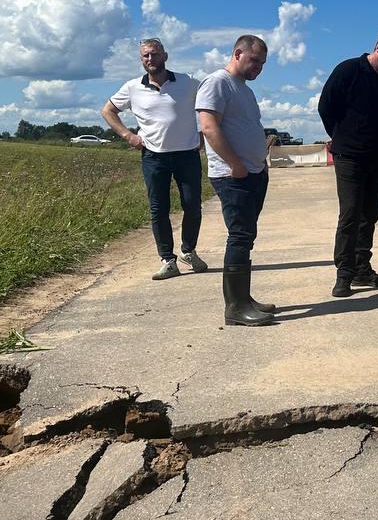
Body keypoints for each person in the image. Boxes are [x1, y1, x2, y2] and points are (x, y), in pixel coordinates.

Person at [101, 38, 207, 281]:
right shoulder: (131, 87)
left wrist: (203, 132)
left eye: (155, 54)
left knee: (192, 205)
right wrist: (128, 135)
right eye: (146, 56)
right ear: (141, 59)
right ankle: (167, 260)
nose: (151, 59)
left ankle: (188, 251)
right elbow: (108, 110)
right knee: (159, 208)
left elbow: (208, 104)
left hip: (186, 154)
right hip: (153, 155)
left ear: (165, 56)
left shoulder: (188, 82)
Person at [318, 29, 378, 297]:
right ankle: (344, 274)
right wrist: (341, 135)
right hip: (349, 157)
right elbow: (326, 106)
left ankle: (362, 270)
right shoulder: (349, 70)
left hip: (377, 158)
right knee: (350, 214)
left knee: (370, 215)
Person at [196, 35, 277, 327]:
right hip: (233, 176)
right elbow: (208, 126)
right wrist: (235, 164)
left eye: (263, 63)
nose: (259, 67)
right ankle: (235, 307)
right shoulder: (217, 82)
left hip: (253, 173)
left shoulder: (243, 89)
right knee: (240, 236)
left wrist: (259, 166)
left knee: (247, 236)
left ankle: (245, 298)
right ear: (237, 53)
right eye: (254, 60)